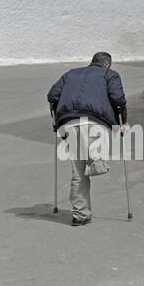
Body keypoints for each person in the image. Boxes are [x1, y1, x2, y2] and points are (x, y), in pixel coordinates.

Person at [47, 52, 131, 226]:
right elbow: (117, 99)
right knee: (96, 161)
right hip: (95, 122)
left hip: (68, 123)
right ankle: (95, 164)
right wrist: (123, 122)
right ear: (108, 64)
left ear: (91, 62)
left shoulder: (70, 73)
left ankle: (80, 215)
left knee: (77, 173)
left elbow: (52, 96)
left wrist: (56, 121)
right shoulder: (110, 74)